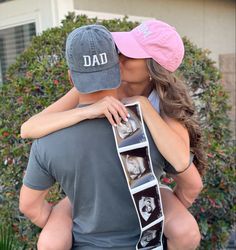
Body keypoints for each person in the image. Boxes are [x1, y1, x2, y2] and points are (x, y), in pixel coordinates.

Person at [20, 20, 206, 250]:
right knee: (51, 240)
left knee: (184, 230)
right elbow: (28, 128)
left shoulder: (166, 102)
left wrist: (143, 106)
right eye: (120, 50)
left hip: (144, 188)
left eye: (129, 55)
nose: (118, 58)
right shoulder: (103, 83)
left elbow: (180, 162)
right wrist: (88, 111)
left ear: (153, 67)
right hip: (94, 194)